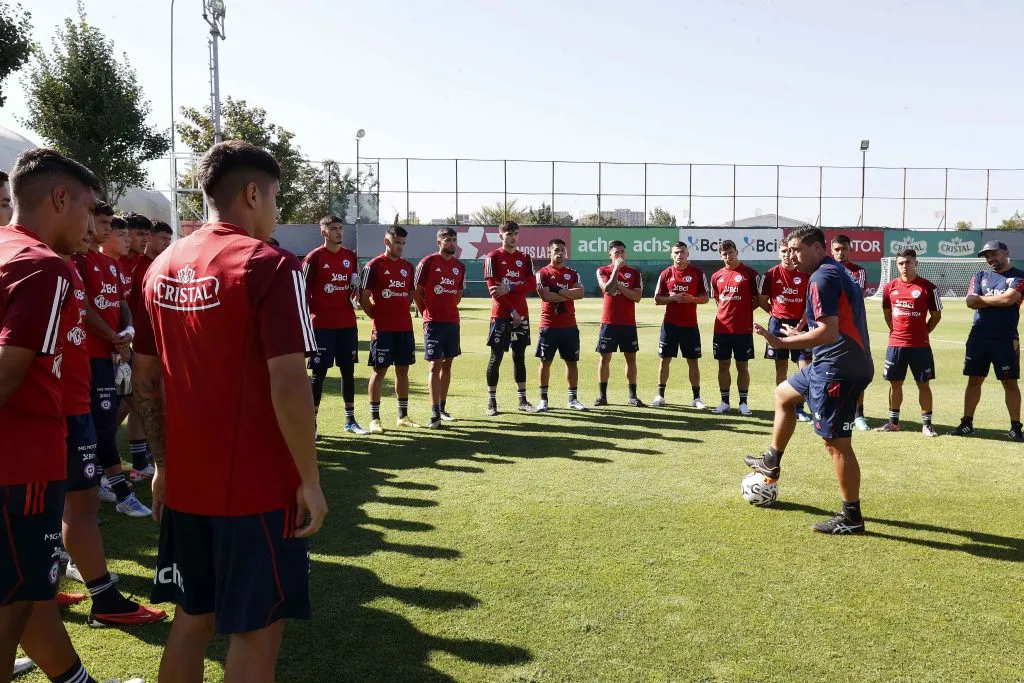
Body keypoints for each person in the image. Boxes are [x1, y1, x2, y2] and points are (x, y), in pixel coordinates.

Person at [132, 140, 328, 683]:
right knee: (256, 633)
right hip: (258, 488)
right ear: (251, 192)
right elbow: (289, 380)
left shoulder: (160, 266)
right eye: (275, 199)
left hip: (189, 483)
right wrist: (309, 479)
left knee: (191, 621)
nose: (276, 212)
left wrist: (163, 467)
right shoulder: (269, 264)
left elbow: (145, 381)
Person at [0, 147, 131, 683]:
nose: (92, 225)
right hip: (21, 464)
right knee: (12, 604)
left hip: (23, 458)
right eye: (87, 208)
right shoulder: (43, 266)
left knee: (28, 590)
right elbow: (9, 373)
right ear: (59, 198)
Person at [58, 204, 166, 626]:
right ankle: (99, 596)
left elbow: (115, 306)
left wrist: (124, 336)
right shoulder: (41, 263)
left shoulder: (75, 265)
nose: (94, 229)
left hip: (78, 384)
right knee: (65, 501)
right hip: (54, 405)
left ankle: (53, 586)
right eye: (95, 221)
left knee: (68, 502)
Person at [745, 227, 874, 534]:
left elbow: (829, 331)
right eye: (788, 250)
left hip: (838, 368)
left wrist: (782, 342)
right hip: (829, 362)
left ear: (818, 248)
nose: (792, 256)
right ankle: (771, 462)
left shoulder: (822, 277)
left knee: (836, 444)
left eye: (798, 250)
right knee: (784, 394)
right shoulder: (833, 272)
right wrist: (801, 333)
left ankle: (851, 517)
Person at [71, 210, 151, 518]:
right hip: (89, 356)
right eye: (105, 224)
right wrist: (115, 337)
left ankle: (105, 483)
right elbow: (85, 307)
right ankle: (117, 488)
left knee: (104, 423)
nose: (102, 229)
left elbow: (119, 304)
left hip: (111, 354)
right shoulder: (77, 261)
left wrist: (126, 332)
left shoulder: (111, 265)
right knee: (97, 426)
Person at [949, 240, 1024, 442]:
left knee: (1010, 382)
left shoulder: (1019, 276)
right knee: (974, 381)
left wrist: (982, 301)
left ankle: (1016, 427)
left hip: (1005, 338)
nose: (991, 259)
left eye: (995, 254)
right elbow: (969, 301)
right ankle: (967, 423)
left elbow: (1008, 300)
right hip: (978, 337)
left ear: (1006, 252)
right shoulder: (979, 276)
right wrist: (997, 300)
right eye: (987, 256)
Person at [302, 215, 366, 436]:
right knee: (318, 375)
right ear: (324, 232)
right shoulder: (313, 258)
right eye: (333, 228)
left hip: (347, 325)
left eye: (340, 228)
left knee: (348, 372)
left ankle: (350, 420)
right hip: (321, 326)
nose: (339, 232)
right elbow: (302, 294)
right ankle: (312, 423)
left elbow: (354, 284)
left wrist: (354, 291)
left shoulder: (351, 256)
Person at [875, 249, 942, 437]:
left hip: (920, 346)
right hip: (896, 345)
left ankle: (927, 424)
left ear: (916, 263)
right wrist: (896, 331)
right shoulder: (889, 288)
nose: (905, 266)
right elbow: (887, 313)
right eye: (901, 263)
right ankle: (893, 422)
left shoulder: (928, 287)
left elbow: (936, 316)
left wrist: (924, 331)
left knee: (923, 384)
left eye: (909, 262)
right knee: (894, 384)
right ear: (897, 265)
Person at [360, 224, 419, 432]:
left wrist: (401, 307)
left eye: (403, 243)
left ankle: (402, 416)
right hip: (383, 329)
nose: (401, 247)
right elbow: (363, 297)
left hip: (404, 328)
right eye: (397, 243)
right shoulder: (373, 266)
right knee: (379, 372)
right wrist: (376, 315)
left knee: (403, 371)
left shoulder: (408, 267)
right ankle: (374, 419)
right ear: (387, 241)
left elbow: (410, 293)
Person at [483, 221, 537, 415]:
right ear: (500, 236)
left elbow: (532, 284)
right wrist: (512, 310)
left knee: (519, 357)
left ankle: (522, 400)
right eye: (509, 234)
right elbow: (494, 290)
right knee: (496, 357)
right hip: (501, 315)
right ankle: (492, 402)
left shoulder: (525, 257)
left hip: (521, 315)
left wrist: (512, 287)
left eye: (515, 233)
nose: (513, 237)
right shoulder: (493, 257)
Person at [414, 227, 466, 428]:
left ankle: (443, 409)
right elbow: (417, 293)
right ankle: (434, 412)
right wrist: (426, 313)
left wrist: (449, 308)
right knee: (434, 365)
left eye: (453, 240)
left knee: (448, 363)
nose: (451, 243)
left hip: (452, 322)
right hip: (433, 323)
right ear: (439, 242)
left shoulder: (459, 266)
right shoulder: (427, 263)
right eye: (447, 240)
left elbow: (458, 294)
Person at [652, 241, 710, 408]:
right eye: (676, 252)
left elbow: (705, 298)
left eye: (682, 252)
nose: (679, 255)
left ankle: (697, 398)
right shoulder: (665, 274)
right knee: (664, 360)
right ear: (672, 255)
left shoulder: (697, 273)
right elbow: (657, 299)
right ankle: (660, 395)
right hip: (670, 325)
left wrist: (692, 299)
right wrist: (673, 298)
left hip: (690, 325)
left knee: (693, 361)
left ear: (687, 254)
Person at [758, 242, 812, 422]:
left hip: (801, 326)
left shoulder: (805, 274)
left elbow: (809, 303)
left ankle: (800, 408)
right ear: (778, 253)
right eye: (783, 251)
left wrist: (799, 325)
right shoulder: (770, 274)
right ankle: (782, 406)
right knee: (781, 369)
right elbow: (762, 301)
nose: (787, 255)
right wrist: (777, 315)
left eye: (790, 251)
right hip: (778, 325)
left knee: (804, 368)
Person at [533, 238, 587, 412]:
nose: (560, 253)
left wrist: (559, 291)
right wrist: (568, 294)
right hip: (549, 325)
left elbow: (580, 293)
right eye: (556, 250)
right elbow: (546, 297)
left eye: (562, 250)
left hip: (569, 326)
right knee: (545, 361)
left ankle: (572, 399)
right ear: (549, 252)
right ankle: (543, 400)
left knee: (572, 362)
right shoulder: (542, 273)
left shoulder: (572, 273)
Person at [709, 240, 761, 415]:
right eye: (724, 254)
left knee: (742, 365)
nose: (728, 256)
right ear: (720, 255)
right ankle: (724, 402)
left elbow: (756, 301)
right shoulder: (716, 276)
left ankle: (743, 403)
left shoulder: (750, 274)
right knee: (723, 365)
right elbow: (718, 300)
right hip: (721, 328)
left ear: (737, 252)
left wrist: (742, 311)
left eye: (730, 252)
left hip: (743, 329)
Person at [594, 241, 644, 407]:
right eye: (616, 253)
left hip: (628, 323)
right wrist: (616, 269)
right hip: (609, 322)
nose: (620, 255)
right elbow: (607, 289)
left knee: (631, 358)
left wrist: (620, 287)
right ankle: (602, 396)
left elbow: (637, 297)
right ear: (610, 255)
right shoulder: (603, 270)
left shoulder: (634, 273)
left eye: (622, 252)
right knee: (605, 358)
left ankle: (633, 396)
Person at [831, 234, 870, 430]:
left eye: (844, 249)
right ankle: (835, 411)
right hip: (831, 331)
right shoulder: (825, 269)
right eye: (837, 249)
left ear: (850, 249)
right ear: (832, 250)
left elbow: (855, 295)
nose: (840, 253)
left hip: (854, 331)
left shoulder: (858, 272)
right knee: (833, 371)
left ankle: (858, 414)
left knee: (856, 372)